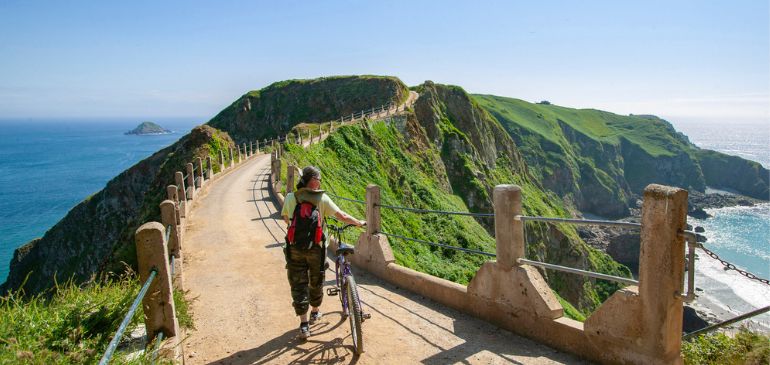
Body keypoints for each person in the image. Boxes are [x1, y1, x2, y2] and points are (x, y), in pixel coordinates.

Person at [281, 166, 365, 340]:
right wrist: (358, 222)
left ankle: (304, 325)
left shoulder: (291, 197)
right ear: (316, 182)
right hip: (317, 248)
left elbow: (286, 219)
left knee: (298, 283)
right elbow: (341, 215)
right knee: (316, 279)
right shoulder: (322, 198)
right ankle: (315, 312)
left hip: (294, 247)